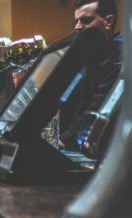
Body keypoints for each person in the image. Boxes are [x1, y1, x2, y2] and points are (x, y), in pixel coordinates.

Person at [60, 0, 121, 150]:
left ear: (108, 22)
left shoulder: (122, 54)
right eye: (76, 21)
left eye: (85, 20)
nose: (77, 27)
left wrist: (65, 140)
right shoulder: (91, 57)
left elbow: (99, 103)